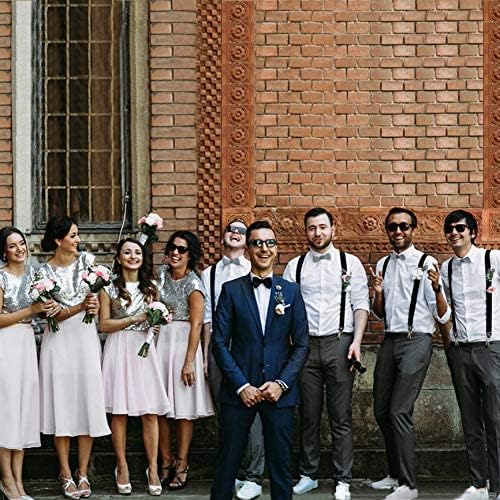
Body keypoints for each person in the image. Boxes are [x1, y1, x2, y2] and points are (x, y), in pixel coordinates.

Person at [210, 220, 310, 500]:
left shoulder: (291, 291)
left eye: (270, 243)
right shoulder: (231, 290)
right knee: (227, 465)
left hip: (279, 393)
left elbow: (302, 344)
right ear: (248, 248)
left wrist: (281, 383)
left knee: (281, 467)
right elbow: (219, 342)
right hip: (240, 391)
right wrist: (241, 385)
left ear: (276, 249)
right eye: (257, 243)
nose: (264, 249)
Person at [283, 207, 369, 500]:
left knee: (340, 415)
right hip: (305, 347)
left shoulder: (350, 263)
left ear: (334, 229)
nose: (317, 233)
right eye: (311, 228)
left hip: (340, 343)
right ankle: (308, 474)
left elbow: (360, 304)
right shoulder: (294, 266)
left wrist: (357, 342)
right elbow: (286, 310)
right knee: (308, 414)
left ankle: (343, 478)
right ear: (305, 231)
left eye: (322, 227)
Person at [369, 207, 450, 500]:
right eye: (393, 227)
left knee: (399, 410)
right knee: (381, 410)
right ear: (387, 231)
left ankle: (409, 485)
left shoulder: (426, 263)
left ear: (413, 229)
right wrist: (378, 293)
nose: (398, 231)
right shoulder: (383, 264)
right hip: (390, 340)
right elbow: (379, 314)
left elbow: (442, 314)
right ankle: (394, 474)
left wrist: (438, 288)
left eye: (404, 226)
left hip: (417, 340)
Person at [38, 215, 110, 499]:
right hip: (58, 342)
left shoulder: (89, 263)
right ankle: (65, 472)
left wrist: (93, 306)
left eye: (77, 234)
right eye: (73, 235)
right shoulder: (43, 272)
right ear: (58, 240)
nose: (78, 240)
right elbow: (50, 314)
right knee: (62, 403)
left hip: (85, 339)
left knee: (86, 402)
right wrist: (80, 306)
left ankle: (82, 472)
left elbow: (98, 302)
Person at [100, 238, 171, 496]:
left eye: (137, 252)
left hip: (144, 349)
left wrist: (156, 322)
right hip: (118, 347)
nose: (133, 256)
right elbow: (104, 325)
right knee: (119, 412)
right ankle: (122, 466)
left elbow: (158, 319)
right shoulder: (108, 287)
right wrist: (135, 318)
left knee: (150, 412)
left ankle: (153, 468)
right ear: (119, 258)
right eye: (127, 252)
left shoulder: (151, 288)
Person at [200, 219, 265, 500]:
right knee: (228, 414)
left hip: (249, 350)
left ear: (247, 241)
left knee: (254, 412)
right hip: (219, 349)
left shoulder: (255, 268)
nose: (235, 233)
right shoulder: (209, 273)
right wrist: (206, 357)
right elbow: (207, 318)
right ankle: (235, 470)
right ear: (223, 237)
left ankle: (254, 475)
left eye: (241, 231)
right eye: (231, 229)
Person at [440, 210, 500, 500]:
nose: (454, 233)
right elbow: (444, 312)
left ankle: (498, 486)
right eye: (449, 229)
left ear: (473, 232)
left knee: (496, 419)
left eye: (460, 228)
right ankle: (478, 484)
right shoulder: (446, 268)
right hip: (461, 350)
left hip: (491, 347)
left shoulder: (493, 259)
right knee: (470, 419)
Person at [0, 227, 57, 500]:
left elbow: (42, 309)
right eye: (12, 246)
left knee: (23, 409)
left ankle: (20, 482)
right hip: (6, 343)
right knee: (7, 410)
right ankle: (6, 480)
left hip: (26, 343)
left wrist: (50, 309)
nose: (19, 249)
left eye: (21, 243)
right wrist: (30, 310)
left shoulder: (35, 275)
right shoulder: (0, 276)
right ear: (4, 252)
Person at [156, 230, 214, 491]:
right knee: (159, 406)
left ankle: (182, 462)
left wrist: (189, 361)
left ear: (191, 255)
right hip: (161, 344)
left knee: (183, 410)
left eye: (181, 249)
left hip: (183, 345)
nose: (175, 253)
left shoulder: (194, 284)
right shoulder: (160, 275)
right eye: (172, 248)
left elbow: (197, 324)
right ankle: (165, 459)